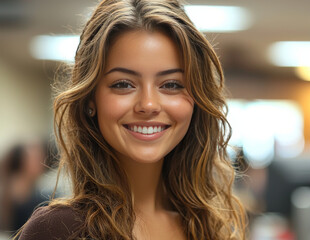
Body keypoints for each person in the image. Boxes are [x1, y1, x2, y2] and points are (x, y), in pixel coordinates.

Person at [16, 0, 247, 239]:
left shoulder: (210, 228)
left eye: (171, 85)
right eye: (123, 84)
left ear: (197, 101)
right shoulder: (57, 230)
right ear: (90, 100)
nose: (148, 104)